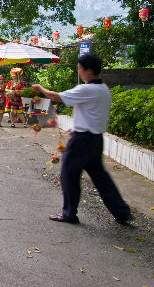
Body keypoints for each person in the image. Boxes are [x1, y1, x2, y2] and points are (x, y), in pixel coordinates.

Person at [32, 53, 131, 225]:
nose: (79, 71)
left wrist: (40, 88)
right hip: (95, 139)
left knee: (68, 173)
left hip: (82, 141)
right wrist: (78, 127)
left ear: (89, 70)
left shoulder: (87, 89)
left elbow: (56, 97)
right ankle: (122, 212)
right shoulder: (103, 89)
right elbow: (93, 113)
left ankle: (69, 213)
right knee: (101, 178)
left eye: (80, 68)